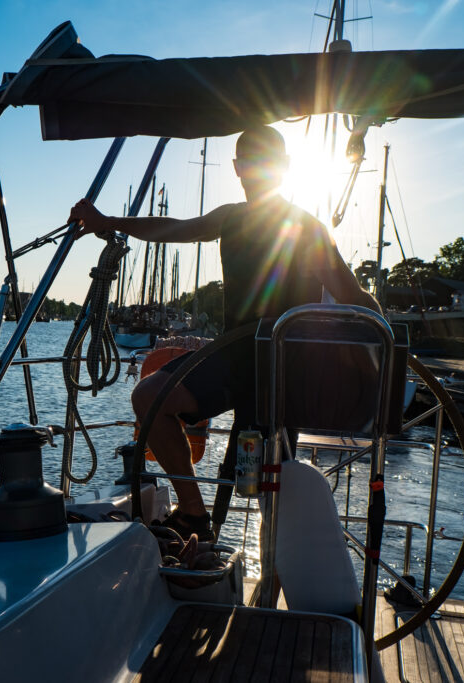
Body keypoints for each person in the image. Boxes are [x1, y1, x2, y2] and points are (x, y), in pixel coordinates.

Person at [70, 125, 381, 541]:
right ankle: (194, 513)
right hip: (234, 355)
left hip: (286, 369)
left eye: (267, 163)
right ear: (237, 169)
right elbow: (174, 228)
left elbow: (353, 297)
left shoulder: (308, 229)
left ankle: (284, 563)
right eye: (250, 163)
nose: (258, 172)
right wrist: (107, 221)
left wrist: (385, 341)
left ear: (285, 169)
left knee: (272, 480)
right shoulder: (230, 218)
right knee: (148, 397)